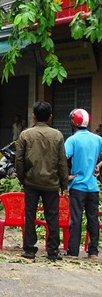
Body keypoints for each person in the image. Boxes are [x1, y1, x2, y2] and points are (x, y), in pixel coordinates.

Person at [15, 101, 68, 260]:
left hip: (31, 181)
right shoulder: (57, 135)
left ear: (34, 116)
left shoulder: (25, 134)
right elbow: (61, 162)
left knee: (30, 215)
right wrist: (64, 184)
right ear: (50, 117)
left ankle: (29, 249)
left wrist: (22, 178)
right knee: (52, 216)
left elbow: (19, 160)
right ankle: (52, 251)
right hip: (51, 183)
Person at [64, 108, 102, 259]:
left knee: (76, 218)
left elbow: (62, 158)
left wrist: (66, 177)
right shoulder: (97, 139)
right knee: (93, 218)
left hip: (78, 185)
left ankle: (73, 252)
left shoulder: (72, 140)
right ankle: (93, 252)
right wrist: (98, 166)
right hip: (93, 186)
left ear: (73, 122)